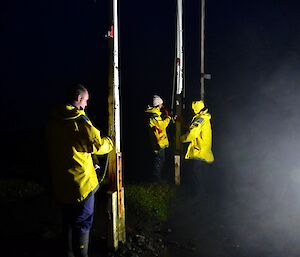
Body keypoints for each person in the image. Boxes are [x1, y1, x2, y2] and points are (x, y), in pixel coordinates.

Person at [47, 84, 113, 257]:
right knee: (82, 223)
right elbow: (97, 145)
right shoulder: (79, 121)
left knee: (67, 222)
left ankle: (68, 252)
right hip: (81, 185)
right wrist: (110, 142)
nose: (86, 105)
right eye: (85, 101)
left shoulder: (54, 119)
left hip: (61, 184)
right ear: (78, 98)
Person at [180, 100, 214, 196]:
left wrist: (181, 139)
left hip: (199, 152)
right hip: (206, 152)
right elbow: (192, 127)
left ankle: (199, 198)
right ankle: (206, 197)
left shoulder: (200, 119)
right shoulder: (205, 118)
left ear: (196, 109)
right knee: (204, 177)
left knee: (197, 177)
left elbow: (192, 133)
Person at [145, 95, 171, 183]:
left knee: (159, 160)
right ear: (157, 105)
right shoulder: (154, 115)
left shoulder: (154, 114)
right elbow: (162, 126)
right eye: (161, 105)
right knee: (159, 161)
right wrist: (168, 118)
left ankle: (157, 178)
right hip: (158, 142)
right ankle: (156, 180)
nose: (162, 106)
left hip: (158, 141)